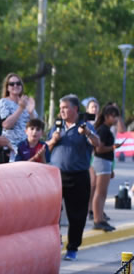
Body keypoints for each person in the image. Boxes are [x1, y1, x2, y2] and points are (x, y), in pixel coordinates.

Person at [46, 94, 101, 261]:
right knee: (52, 214)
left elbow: (97, 143)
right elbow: (46, 147)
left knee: (76, 215)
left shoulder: (84, 127)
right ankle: (55, 244)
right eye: (60, 108)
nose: (62, 111)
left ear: (75, 109)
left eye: (65, 107)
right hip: (56, 176)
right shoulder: (57, 126)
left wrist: (87, 134)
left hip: (78, 176)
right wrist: (53, 140)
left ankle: (73, 248)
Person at [90, 104, 121, 232]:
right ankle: (98, 219)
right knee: (100, 192)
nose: (116, 119)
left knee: (101, 192)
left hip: (105, 162)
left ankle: (100, 217)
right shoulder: (104, 130)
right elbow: (99, 148)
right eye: (114, 116)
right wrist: (113, 147)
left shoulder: (105, 129)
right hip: (101, 161)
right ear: (107, 116)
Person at [0, 72, 37, 163]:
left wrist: (31, 112)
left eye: (18, 83)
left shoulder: (26, 100)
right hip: (10, 150)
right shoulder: (4, 102)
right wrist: (21, 108)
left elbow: (36, 125)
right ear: (7, 87)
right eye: (12, 84)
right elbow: (6, 125)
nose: (15, 85)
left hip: (27, 148)